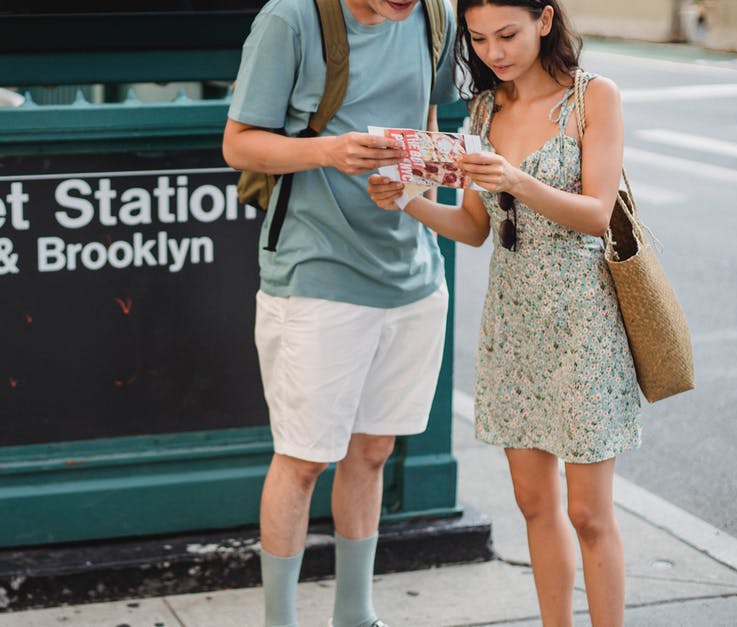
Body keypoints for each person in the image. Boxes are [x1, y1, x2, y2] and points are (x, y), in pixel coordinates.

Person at [367, 1, 640, 626]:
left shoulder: (594, 98)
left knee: (588, 514)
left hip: (585, 321)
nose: (495, 51)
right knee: (533, 504)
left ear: (546, 21)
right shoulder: (487, 110)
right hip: (514, 324)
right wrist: (406, 200)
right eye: (480, 38)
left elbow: (597, 215)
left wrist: (515, 179)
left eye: (509, 34)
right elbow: (472, 227)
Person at [223, 0, 458, 625]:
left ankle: (356, 615)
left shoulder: (435, 14)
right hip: (316, 273)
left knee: (374, 451)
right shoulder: (290, 19)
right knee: (302, 459)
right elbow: (238, 145)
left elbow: (428, 118)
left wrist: (420, 184)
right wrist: (329, 152)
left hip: (412, 273)